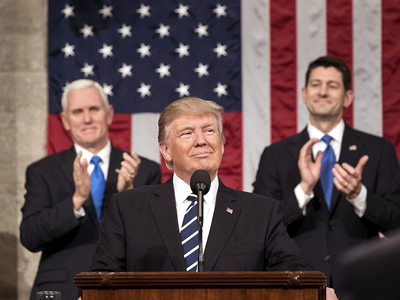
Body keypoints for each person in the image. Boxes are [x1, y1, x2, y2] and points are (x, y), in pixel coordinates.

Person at [89, 97, 313, 273]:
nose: (201, 140)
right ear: (166, 150)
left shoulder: (260, 213)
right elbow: (102, 280)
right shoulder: (127, 209)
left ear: (222, 145)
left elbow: (296, 274)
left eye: (209, 130)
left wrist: (318, 290)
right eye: (187, 133)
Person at [253, 56, 400, 288]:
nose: (323, 92)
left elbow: (396, 222)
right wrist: (303, 190)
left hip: (362, 282)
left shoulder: (378, 150)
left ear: (348, 97)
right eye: (315, 84)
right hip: (297, 284)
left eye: (332, 86)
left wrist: (358, 195)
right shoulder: (275, 154)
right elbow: (259, 227)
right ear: (304, 93)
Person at [20, 79, 161, 300]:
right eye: (78, 112)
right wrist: (76, 200)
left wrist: (129, 196)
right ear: (66, 121)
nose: (87, 118)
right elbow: (30, 237)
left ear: (109, 114)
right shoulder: (41, 171)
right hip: (61, 290)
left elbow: (155, 240)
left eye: (94, 109)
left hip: (125, 289)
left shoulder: (144, 170)